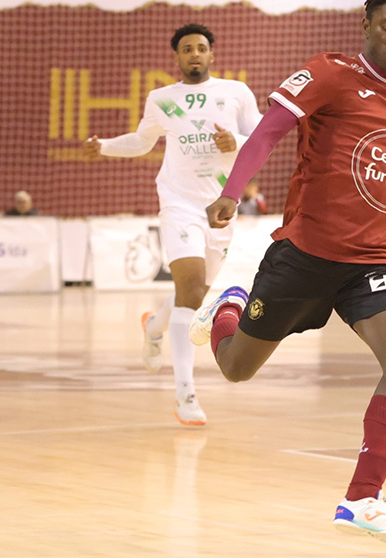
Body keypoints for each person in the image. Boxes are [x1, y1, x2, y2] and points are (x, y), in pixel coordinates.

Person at [188, 0, 386, 546]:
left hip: (374, 259)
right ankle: (229, 307)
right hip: (305, 254)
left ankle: (362, 499)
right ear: (367, 23)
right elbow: (269, 132)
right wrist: (232, 191)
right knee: (235, 367)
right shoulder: (329, 73)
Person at [83, 23, 262, 426]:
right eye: (187, 49)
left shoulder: (236, 93)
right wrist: (104, 147)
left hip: (222, 203)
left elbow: (261, 138)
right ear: (177, 57)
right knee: (191, 288)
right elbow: (142, 141)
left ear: (212, 54)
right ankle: (185, 394)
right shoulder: (162, 99)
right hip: (179, 203)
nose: (194, 54)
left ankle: (154, 325)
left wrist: (234, 141)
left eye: (201, 48)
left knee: (193, 295)